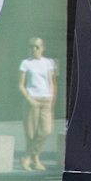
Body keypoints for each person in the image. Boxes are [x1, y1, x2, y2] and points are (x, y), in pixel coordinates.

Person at [19, 37, 57, 172]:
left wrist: (52, 99)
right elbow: (21, 85)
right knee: (31, 133)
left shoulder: (48, 63)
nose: (33, 49)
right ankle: (36, 160)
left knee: (46, 130)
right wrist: (29, 99)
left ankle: (27, 158)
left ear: (42, 48)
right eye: (31, 46)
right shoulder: (26, 63)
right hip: (32, 99)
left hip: (46, 100)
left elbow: (52, 82)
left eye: (36, 46)